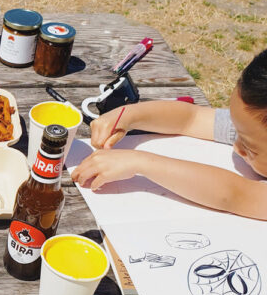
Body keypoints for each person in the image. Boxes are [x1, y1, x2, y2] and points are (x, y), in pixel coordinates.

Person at [71, 49, 267, 220]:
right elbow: (191, 118)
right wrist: (128, 116)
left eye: (250, 147)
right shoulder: (256, 121)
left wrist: (140, 162)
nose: (236, 145)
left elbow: (236, 196)